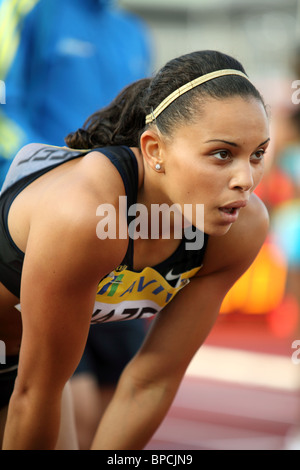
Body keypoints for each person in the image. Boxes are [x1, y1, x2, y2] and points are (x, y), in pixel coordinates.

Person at [0, 50, 270, 450]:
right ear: (154, 149)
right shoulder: (87, 216)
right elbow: (33, 394)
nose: (245, 180)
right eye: (222, 154)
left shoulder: (240, 229)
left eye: (258, 154)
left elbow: (151, 380)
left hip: (24, 365)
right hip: (26, 375)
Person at [0, 0, 152, 449]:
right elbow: (11, 103)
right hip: (53, 226)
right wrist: (54, 178)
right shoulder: (38, 16)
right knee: (71, 405)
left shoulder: (133, 31)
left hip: (121, 231)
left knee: (113, 408)